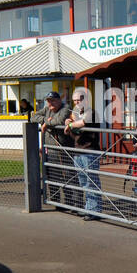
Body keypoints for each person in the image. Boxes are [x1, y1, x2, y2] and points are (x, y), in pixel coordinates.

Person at [65, 89, 102, 220]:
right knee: (83, 182)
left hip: (89, 151)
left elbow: (82, 123)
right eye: (74, 101)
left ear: (85, 100)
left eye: (79, 100)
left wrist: (69, 124)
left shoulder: (91, 112)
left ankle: (94, 211)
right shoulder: (77, 115)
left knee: (91, 182)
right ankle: (88, 208)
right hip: (78, 152)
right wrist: (69, 126)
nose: (77, 103)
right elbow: (73, 132)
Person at [36, 91, 74, 206]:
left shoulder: (65, 108)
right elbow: (34, 116)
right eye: (48, 101)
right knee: (52, 177)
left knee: (67, 177)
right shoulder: (47, 109)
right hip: (50, 149)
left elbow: (60, 120)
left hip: (64, 149)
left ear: (58, 100)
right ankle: (55, 201)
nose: (50, 103)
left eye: (52, 100)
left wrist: (47, 124)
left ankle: (70, 202)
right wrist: (46, 121)